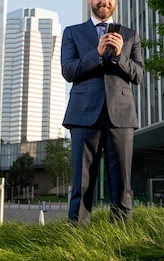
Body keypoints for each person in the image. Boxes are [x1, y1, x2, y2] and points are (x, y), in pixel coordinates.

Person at [61, 0, 144, 225]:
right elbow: (68, 71)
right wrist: (97, 53)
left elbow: (139, 76)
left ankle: (121, 233)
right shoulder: (73, 32)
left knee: (122, 182)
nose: (104, 2)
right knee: (81, 181)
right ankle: (76, 234)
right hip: (83, 114)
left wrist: (119, 56)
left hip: (121, 115)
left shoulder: (130, 35)